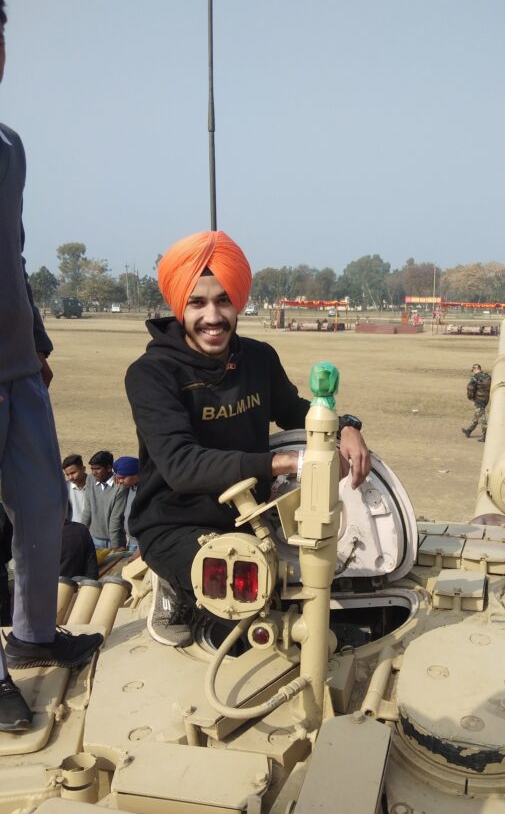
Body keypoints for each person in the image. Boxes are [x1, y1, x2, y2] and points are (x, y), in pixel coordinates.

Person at [125, 230, 371, 647]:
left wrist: (345, 425)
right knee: (246, 629)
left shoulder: (257, 358)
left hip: (251, 516)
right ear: (177, 304)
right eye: (197, 302)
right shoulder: (152, 374)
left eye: (223, 300)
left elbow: (296, 411)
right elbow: (183, 466)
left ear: (237, 300)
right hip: (175, 524)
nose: (213, 316)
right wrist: (286, 464)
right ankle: (173, 586)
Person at [0, 0, 102, 732]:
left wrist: (36, 341)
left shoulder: (10, 146)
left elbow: (17, 253)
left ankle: (34, 635)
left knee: (42, 511)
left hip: (16, 371)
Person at [80, 450, 128, 550]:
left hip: (115, 541)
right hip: (94, 539)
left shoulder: (119, 486)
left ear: (109, 468)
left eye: (97, 469)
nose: (94, 472)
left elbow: (116, 519)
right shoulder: (90, 480)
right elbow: (87, 510)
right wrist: (80, 535)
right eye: (92, 469)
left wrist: (116, 546)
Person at [113, 456, 140, 553]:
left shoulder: (146, 491)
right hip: (131, 543)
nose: (120, 481)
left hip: (142, 545)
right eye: (118, 478)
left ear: (136, 474)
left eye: (123, 478)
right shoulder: (129, 487)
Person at [462, 363, 491, 442]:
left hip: (479, 399)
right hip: (486, 399)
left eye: (473, 370)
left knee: (481, 417)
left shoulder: (475, 377)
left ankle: (485, 435)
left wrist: (470, 397)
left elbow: (470, 388)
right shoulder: (488, 376)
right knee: (477, 415)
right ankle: (469, 430)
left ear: (475, 369)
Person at [62, 453, 91, 522]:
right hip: (75, 529)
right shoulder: (66, 487)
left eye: (73, 473)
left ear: (83, 469)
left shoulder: (95, 485)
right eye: (67, 474)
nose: (70, 477)